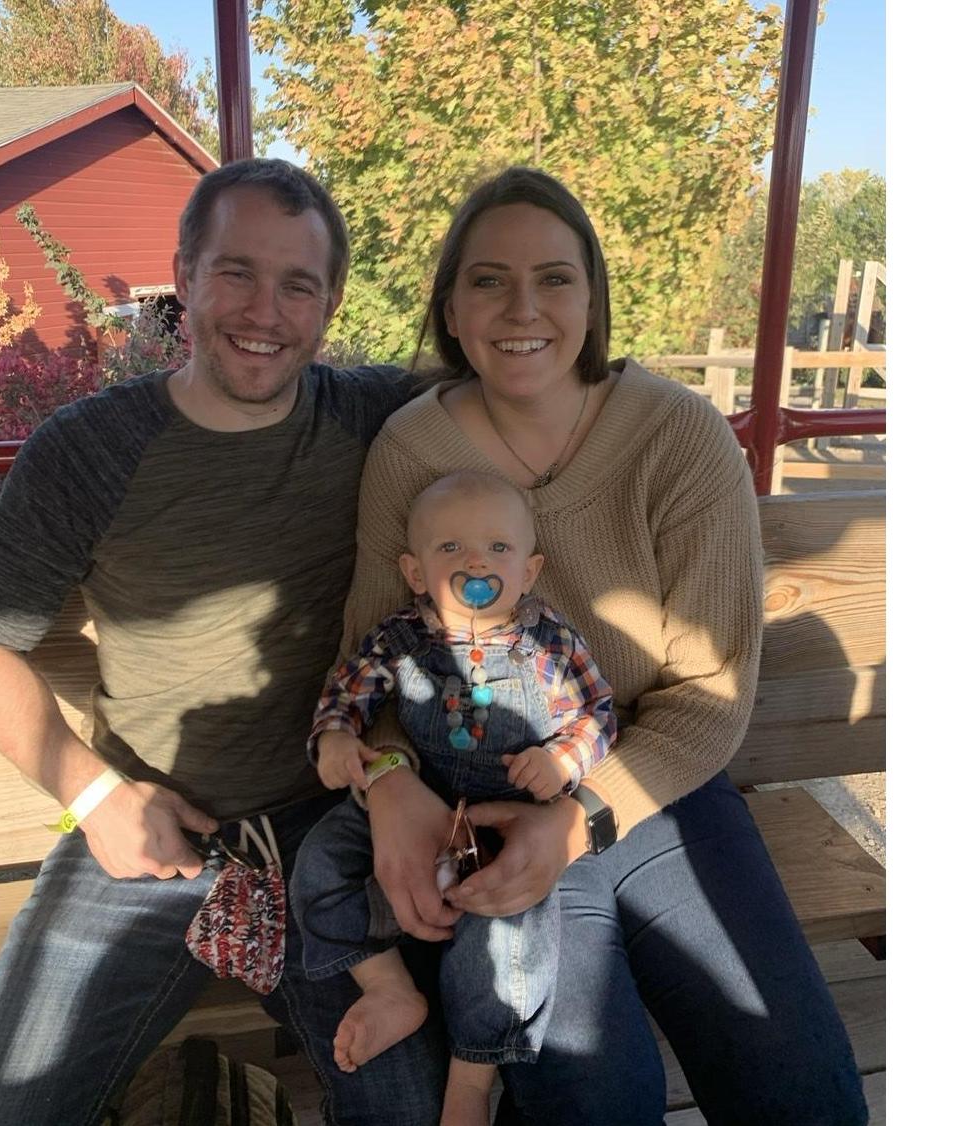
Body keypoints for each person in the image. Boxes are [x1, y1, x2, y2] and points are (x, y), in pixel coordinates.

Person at [338, 166, 870, 1124]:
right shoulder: (410, 452)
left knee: (799, 1082)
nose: (523, 309)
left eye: (555, 278)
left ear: (593, 301)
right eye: (489, 281)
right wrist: (386, 781)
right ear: (451, 310)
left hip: (657, 785)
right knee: (591, 1090)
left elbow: (710, 690)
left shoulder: (677, 435)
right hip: (481, 801)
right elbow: (369, 667)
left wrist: (579, 814)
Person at [0, 159, 452, 1126]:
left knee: (412, 1106)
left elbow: (522, 370)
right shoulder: (89, 449)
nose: (265, 311)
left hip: (329, 832)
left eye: (298, 285)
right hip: (152, 834)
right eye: (235, 272)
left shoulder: (372, 417)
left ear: (331, 305)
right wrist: (97, 799)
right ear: (183, 275)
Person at [291, 470, 616, 1125]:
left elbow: (597, 716)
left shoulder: (548, 643)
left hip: (508, 817)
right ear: (415, 572)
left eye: (498, 548)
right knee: (319, 861)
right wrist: (336, 738)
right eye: (451, 549)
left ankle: (472, 1077)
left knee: (510, 932)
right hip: (422, 801)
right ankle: (387, 988)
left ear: (529, 570)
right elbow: (348, 692)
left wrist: (561, 759)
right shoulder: (401, 639)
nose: (476, 562)